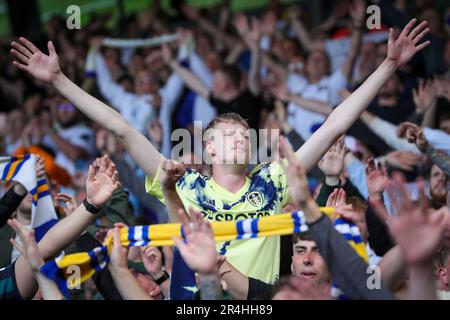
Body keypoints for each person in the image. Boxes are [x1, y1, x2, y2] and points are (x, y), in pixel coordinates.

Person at [9, 18, 431, 285]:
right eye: (230, 135)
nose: (241, 142)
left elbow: (337, 121)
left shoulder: (275, 179)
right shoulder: (183, 181)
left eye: (246, 137)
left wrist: (389, 65)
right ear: (208, 146)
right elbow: (121, 126)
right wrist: (60, 80)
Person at [0, 155, 120, 300]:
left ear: (53, 192)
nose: (30, 190)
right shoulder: (4, 232)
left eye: (38, 185)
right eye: (27, 184)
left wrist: (89, 205)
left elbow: (44, 250)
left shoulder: (65, 230)